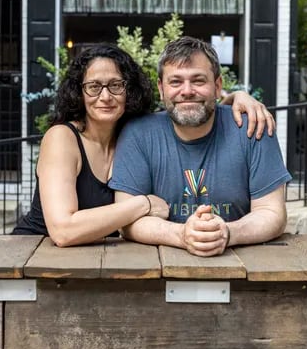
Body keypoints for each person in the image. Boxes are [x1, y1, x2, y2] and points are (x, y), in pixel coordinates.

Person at [12, 43, 275, 247]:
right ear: (78, 92)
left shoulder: (132, 131)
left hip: (95, 257)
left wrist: (237, 97)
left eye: (116, 85)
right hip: (37, 251)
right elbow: (63, 231)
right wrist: (144, 204)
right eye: (93, 86)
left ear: (130, 89)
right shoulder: (62, 138)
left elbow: (189, 104)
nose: (105, 96)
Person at [111, 37, 291, 256]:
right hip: (156, 270)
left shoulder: (253, 127)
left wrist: (227, 232)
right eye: (175, 82)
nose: (187, 91)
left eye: (198, 80)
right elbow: (126, 220)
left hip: (246, 269)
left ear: (217, 86)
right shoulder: (138, 134)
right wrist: (182, 234)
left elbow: (272, 212)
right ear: (161, 88)